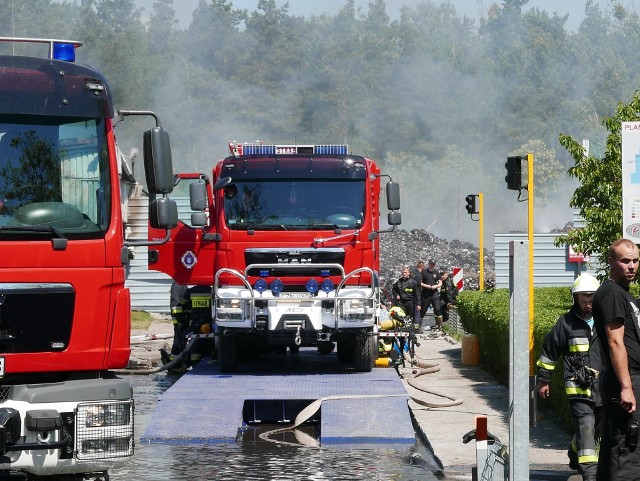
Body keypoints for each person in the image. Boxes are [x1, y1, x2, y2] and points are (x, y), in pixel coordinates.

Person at [536, 273, 602, 481]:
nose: (588, 304)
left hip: (604, 389)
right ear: (576, 298)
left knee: (598, 427)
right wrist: (544, 379)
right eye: (584, 299)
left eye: (591, 299)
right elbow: (549, 352)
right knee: (586, 424)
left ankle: (575, 449)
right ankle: (590, 474)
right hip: (578, 389)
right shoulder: (565, 323)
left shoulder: (606, 321)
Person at [593, 239, 640, 481]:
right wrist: (626, 388)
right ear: (611, 262)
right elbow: (615, 342)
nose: (631, 266)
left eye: (635, 261)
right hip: (626, 379)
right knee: (628, 450)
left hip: (628, 379)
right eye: (624, 261)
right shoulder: (611, 292)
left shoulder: (624, 294)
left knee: (617, 449)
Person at [420, 258, 443, 330]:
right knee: (423, 310)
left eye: (433, 264)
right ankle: (418, 326)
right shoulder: (424, 272)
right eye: (431, 264)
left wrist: (435, 286)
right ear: (429, 264)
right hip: (426, 293)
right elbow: (420, 282)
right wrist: (426, 286)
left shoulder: (437, 273)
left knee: (437, 309)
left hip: (434, 293)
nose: (432, 265)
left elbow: (440, 283)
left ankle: (439, 326)